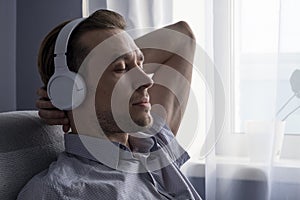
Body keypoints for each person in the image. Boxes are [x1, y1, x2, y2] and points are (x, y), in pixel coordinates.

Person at [18, 9, 201, 199]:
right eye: (121, 68)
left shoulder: (153, 140)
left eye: (141, 63)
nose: (147, 79)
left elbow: (182, 37)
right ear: (72, 89)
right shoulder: (59, 193)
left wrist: (120, 54)